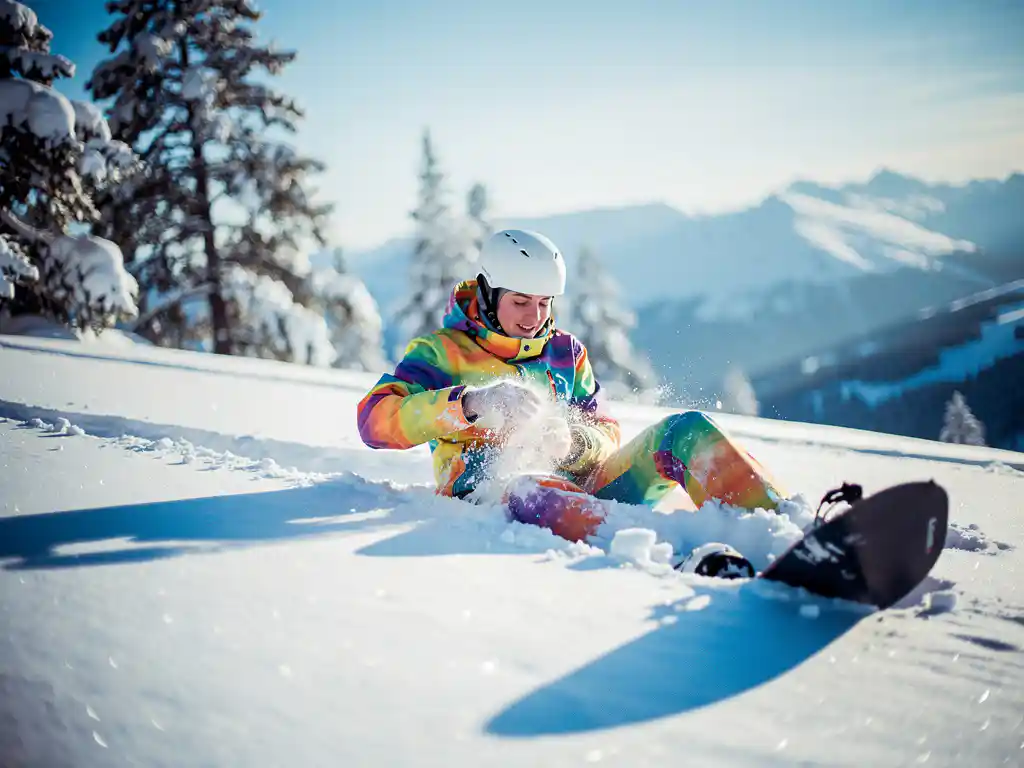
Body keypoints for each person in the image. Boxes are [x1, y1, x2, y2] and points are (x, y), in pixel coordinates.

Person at [356, 228, 793, 568]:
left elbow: (606, 429)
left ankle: (786, 532)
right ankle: (673, 562)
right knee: (529, 484)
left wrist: (576, 442)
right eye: (521, 302)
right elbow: (375, 421)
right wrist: (470, 405)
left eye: (545, 302)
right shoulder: (440, 353)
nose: (535, 318)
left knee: (684, 432)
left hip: (589, 485)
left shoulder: (566, 352)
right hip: (500, 501)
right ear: (488, 294)